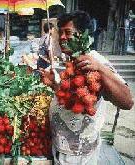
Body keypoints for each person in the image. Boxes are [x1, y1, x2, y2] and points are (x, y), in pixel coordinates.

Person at [39, 11, 134, 165]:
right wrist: (54, 85)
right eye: (60, 32)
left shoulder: (95, 61)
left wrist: (101, 69)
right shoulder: (72, 61)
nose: (62, 37)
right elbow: (70, 100)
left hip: (80, 157)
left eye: (68, 32)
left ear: (82, 35)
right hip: (61, 149)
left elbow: (127, 102)